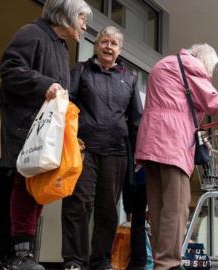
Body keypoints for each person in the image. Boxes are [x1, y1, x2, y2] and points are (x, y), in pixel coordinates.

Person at [134, 44, 218, 270]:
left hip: (150, 143)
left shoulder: (164, 64)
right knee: (177, 206)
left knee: (158, 207)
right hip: (171, 144)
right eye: (210, 70)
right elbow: (211, 99)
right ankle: (168, 265)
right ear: (202, 60)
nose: (210, 76)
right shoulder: (189, 65)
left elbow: (176, 106)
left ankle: (160, 262)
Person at [0, 0, 91, 269]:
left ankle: (23, 254)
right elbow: (9, 69)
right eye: (82, 18)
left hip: (46, 128)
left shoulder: (61, 48)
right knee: (25, 184)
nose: (85, 26)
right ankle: (19, 254)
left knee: (39, 186)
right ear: (65, 16)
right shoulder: (31, 33)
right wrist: (44, 84)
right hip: (25, 122)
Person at [61, 26, 143, 270]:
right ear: (96, 45)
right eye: (104, 41)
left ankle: (101, 261)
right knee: (78, 204)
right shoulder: (81, 71)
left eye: (114, 43)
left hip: (116, 152)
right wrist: (71, 137)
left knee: (107, 209)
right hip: (83, 148)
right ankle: (74, 261)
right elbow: (67, 106)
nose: (108, 46)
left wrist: (138, 152)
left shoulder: (129, 78)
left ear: (120, 50)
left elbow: (135, 118)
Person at [122, 167, 149, 270]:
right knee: (138, 221)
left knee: (138, 220)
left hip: (139, 177)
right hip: (134, 176)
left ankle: (138, 261)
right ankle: (139, 261)